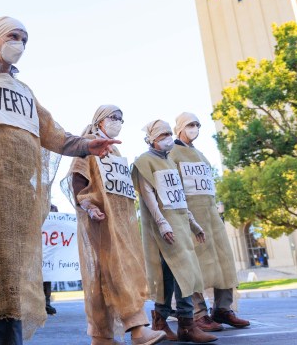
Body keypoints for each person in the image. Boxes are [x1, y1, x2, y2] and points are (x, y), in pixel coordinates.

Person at [0, 17, 119, 345]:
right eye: (13, 36)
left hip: (16, 202)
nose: (19, 44)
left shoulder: (25, 93)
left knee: (10, 281)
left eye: (25, 39)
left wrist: (87, 144)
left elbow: (54, 134)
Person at [68, 105, 166, 345]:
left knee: (103, 279)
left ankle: (101, 336)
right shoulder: (88, 145)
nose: (118, 122)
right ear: (100, 121)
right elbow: (78, 178)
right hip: (101, 221)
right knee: (120, 272)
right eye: (113, 118)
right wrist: (88, 206)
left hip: (122, 224)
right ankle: (138, 330)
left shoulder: (116, 153)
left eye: (121, 119)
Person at [132, 120, 217, 343]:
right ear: (151, 138)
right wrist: (161, 223)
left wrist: (193, 223)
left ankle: (169, 323)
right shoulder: (144, 161)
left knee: (173, 274)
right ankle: (185, 323)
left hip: (180, 224)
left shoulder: (169, 161)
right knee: (178, 274)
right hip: (164, 227)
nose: (168, 137)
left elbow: (179, 198)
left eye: (170, 133)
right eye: (163, 134)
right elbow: (148, 195)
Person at [169, 112, 249, 331]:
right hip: (190, 218)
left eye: (197, 125)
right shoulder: (172, 154)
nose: (195, 128)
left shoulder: (201, 155)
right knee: (195, 267)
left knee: (225, 262)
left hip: (212, 218)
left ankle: (223, 309)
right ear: (180, 128)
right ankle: (199, 313)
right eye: (190, 125)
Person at [44, 204, 59, 316]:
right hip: (36, 251)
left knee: (47, 280)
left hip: (48, 254)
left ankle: (46, 304)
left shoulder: (53, 208)